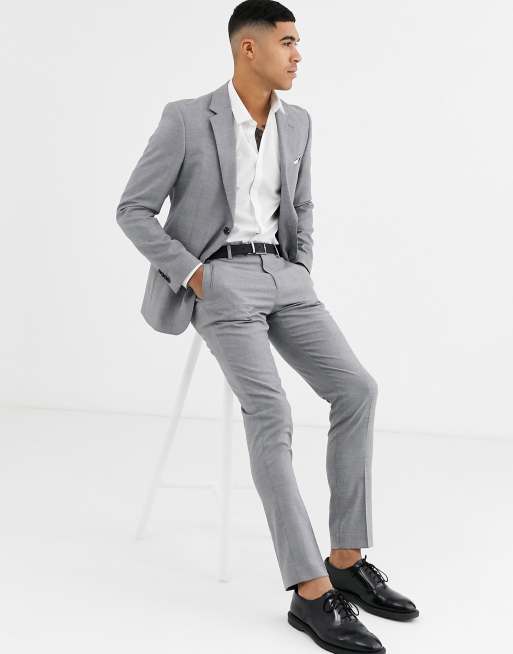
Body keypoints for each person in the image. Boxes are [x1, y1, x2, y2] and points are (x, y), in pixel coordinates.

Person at [116, 1, 419, 651]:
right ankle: (310, 591)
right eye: (287, 41)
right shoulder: (185, 118)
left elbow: (301, 204)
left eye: (298, 42)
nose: (298, 54)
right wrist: (196, 275)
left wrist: (300, 267)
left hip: (285, 278)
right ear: (247, 48)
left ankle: (346, 557)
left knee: (357, 389)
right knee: (271, 415)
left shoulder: (298, 121)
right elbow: (134, 209)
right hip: (220, 281)